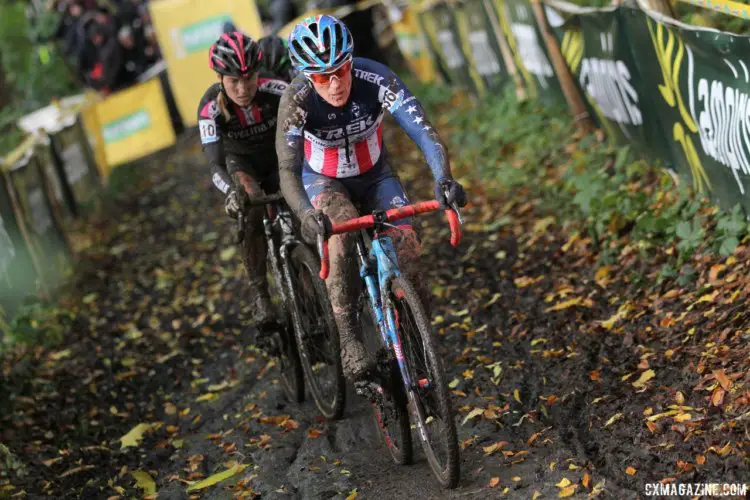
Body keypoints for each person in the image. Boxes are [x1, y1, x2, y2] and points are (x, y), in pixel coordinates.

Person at [276, 15, 467, 383]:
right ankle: (349, 337)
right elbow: (287, 169)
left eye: (341, 70)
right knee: (341, 229)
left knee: (408, 246)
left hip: (376, 174)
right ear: (306, 77)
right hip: (323, 180)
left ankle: (419, 341)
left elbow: (424, 132)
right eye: (320, 77)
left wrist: (443, 179)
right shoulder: (296, 100)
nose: (334, 84)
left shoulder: (376, 78)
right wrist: (305, 213)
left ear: (352, 61)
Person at [197, 32, 290, 328]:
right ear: (219, 77)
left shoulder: (277, 88)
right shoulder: (209, 107)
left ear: (258, 72)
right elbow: (214, 164)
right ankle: (260, 293)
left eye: (249, 79)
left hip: (279, 158)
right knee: (250, 205)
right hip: (241, 164)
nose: (242, 88)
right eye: (233, 81)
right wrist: (231, 193)